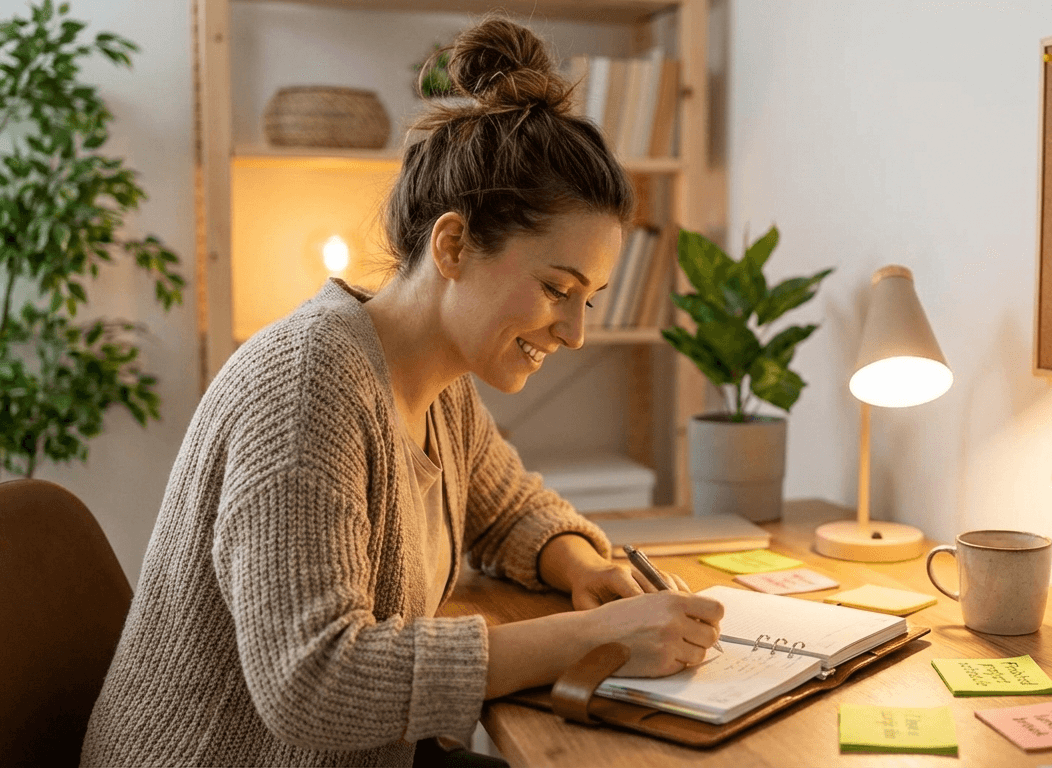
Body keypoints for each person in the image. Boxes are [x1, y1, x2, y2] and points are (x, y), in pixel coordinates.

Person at [80, 17, 723, 768]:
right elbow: (313, 681)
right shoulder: (306, 388)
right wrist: (590, 638)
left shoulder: (436, 381)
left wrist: (582, 564)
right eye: (557, 288)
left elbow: (510, 508)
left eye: (591, 297)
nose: (576, 331)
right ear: (452, 245)